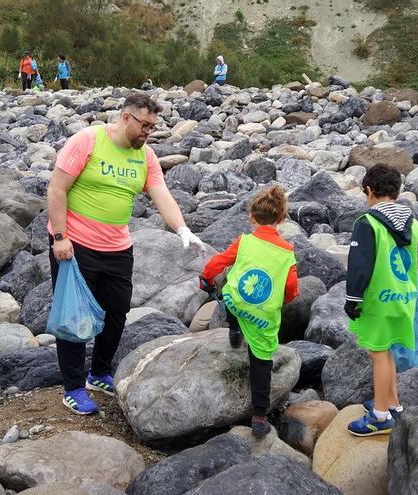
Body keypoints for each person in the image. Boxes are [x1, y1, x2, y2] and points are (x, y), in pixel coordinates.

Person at [47, 93, 205, 415]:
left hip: (117, 248)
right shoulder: (88, 141)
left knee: (117, 313)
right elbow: (56, 188)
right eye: (144, 125)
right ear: (126, 118)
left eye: (152, 127)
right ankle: (74, 387)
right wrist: (61, 237)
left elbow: (161, 194)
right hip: (75, 246)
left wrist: (183, 230)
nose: (148, 132)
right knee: (73, 316)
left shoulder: (145, 157)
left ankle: (99, 373)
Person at [199, 185, 299, 438]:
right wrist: (283, 300)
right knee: (261, 361)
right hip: (262, 314)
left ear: (252, 218)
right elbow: (291, 288)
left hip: (237, 302)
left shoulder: (244, 241)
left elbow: (216, 264)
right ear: (281, 220)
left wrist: (206, 280)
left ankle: (234, 329)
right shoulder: (287, 253)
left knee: (230, 290)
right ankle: (259, 416)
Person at [344, 164, 418, 436]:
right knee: (387, 351)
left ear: (369, 191)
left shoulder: (368, 223)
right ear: (397, 191)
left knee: (378, 354)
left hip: (378, 300)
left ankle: (379, 416)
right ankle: (392, 404)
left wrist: (352, 299)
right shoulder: (412, 222)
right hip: (404, 297)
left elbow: (360, 266)